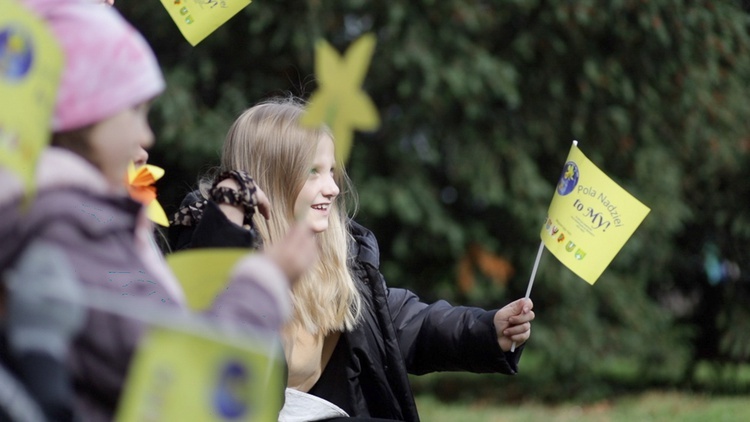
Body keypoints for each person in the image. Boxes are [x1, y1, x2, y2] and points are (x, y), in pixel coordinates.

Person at [0, 1, 317, 420]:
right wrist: (267, 279)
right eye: (134, 110)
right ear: (85, 113)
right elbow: (179, 379)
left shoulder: (59, 217)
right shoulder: (70, 228)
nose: (146, 134)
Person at [170, 96, 535, 421]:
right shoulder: (211, 253)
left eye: (332, 171)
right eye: (314, 172)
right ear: (272, 178)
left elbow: (408, 325)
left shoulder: (343, 260)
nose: (332, 188)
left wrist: (488, 331)